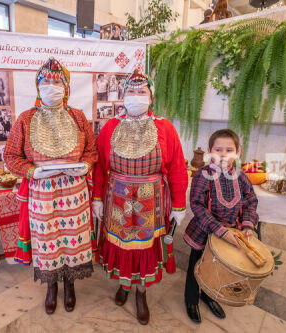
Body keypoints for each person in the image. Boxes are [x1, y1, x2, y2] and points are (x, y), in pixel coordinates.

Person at [93, 69, 188, 325]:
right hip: (118, 198)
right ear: (123, 97)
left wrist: (179, 204)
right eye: (131, 92)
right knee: (122, 245)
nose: (136, 96)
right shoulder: (111, 126)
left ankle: (141, 292)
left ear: (151, 97)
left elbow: (178, 167)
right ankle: (125, 284)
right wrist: (98, 198)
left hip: (150, 200)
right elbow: (100, 165)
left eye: (141, 91)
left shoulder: (165, 128)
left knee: (144, 247)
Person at [3, 57, 98, 315]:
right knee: (48, 240)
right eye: (46, 81)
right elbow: (11, 157)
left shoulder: (78, 117)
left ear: (66, 86)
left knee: (71, 240)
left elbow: (92, 150)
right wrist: (32, 171)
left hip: (74, 190)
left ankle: (69, 284)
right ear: (38, 85)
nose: (51, 85)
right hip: (42, 193)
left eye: (57, 81)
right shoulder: (25, 118)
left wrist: (86, 166)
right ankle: (51, 286)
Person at [183, 129, 259, 324]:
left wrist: (248, 225)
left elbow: (250, 200)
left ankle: (208, 296)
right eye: (218, 149)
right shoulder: (202, 175)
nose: (223, 154)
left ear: (238, 152)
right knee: (197, 266)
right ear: (209, 151)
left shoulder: (241, 177)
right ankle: (191, 300)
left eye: (229, 149)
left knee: (219, 268)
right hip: (204, 232)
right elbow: (197, 205)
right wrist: (220, 231)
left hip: (232, 233)